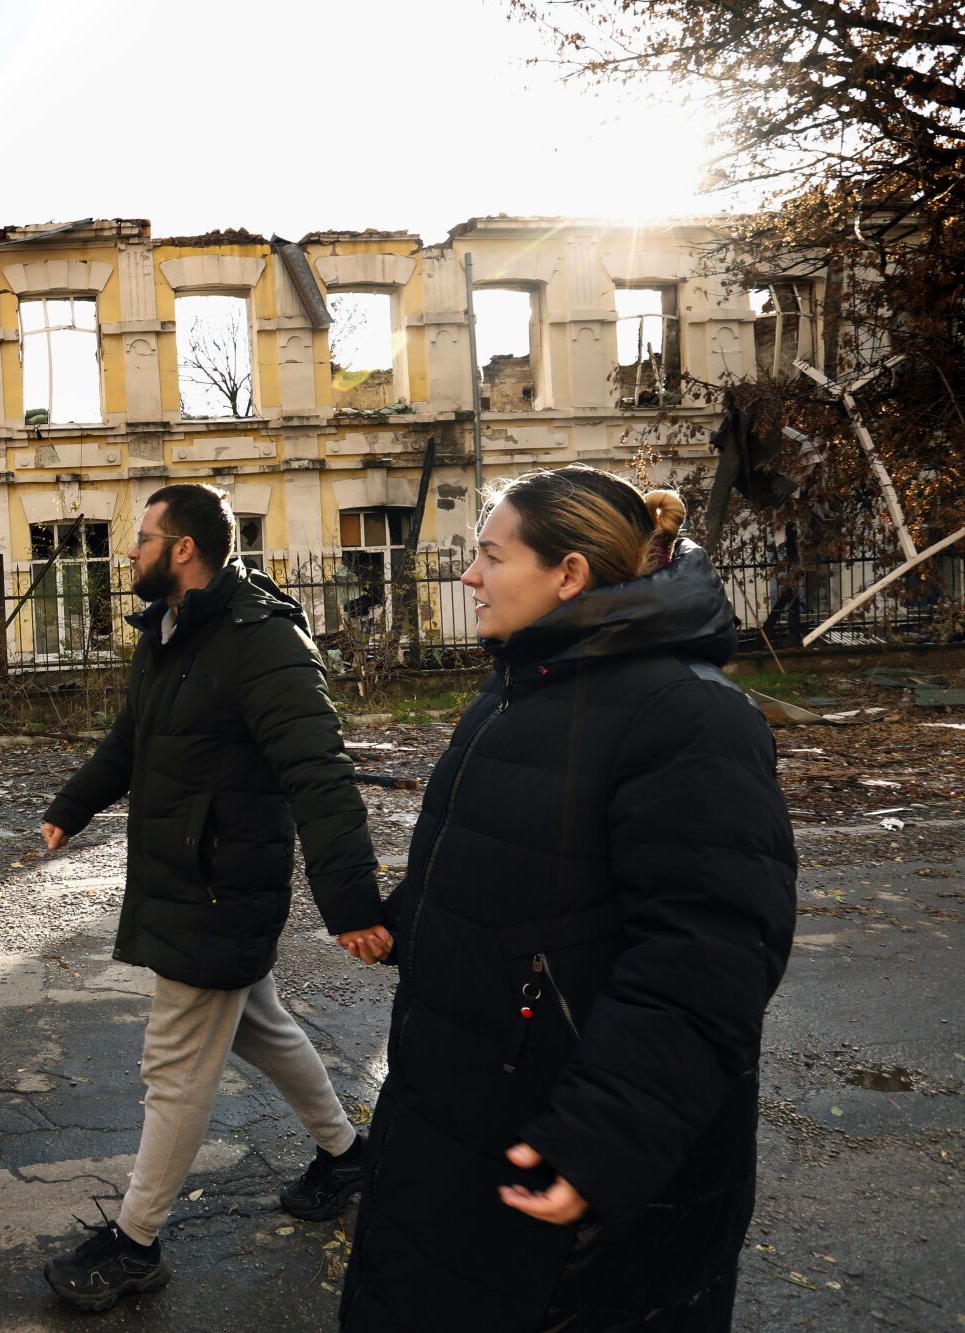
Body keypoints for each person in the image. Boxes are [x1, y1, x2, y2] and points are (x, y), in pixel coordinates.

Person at [341, 466, 797, 1331]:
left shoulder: (688, 715)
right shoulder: (518, 688)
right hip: (458, 1117)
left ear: (571, 574)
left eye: (489, 556)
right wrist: (407, 920)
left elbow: (711, 953)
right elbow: (520, 867)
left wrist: (603, 1136)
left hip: (572, 1161)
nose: (469, 577)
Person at [38, 482, 392, 1312]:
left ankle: (135, 1243)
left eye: (142, 537)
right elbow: (133, 737)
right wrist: (71, 807)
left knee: (174, 1068)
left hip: (217, 890)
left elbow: (318, 768)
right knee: (260, 1026)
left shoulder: (259, 642)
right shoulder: (169, 631)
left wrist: (353, 903)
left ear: (184, 549)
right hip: (191, 880)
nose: (130, 551)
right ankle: (346, 1153)